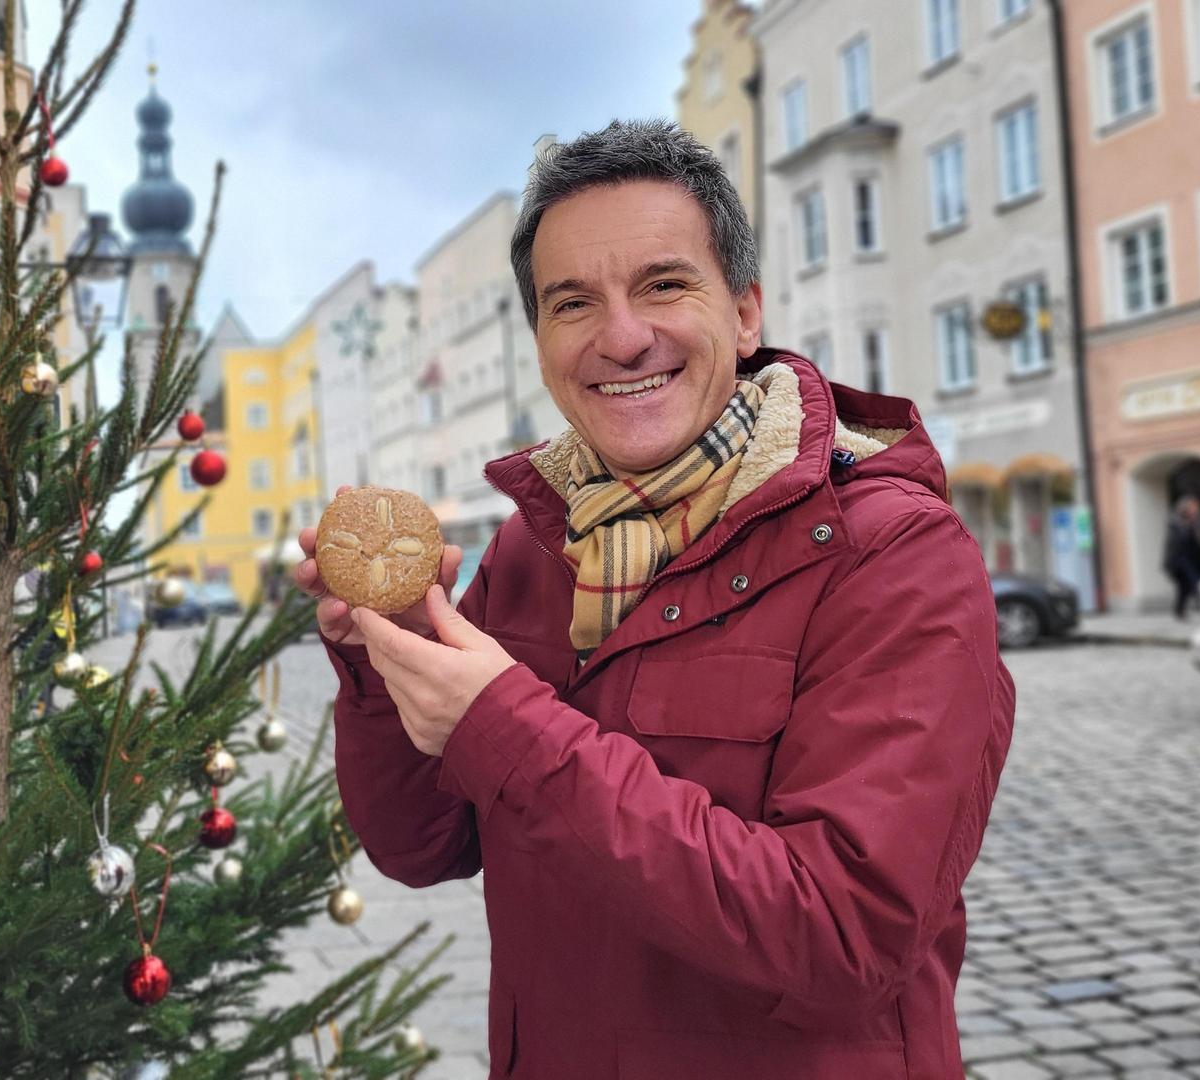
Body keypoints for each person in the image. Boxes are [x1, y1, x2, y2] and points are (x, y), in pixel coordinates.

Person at [294, 121, 1016, 1079]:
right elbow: (422, 844)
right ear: (543, 340)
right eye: (572, 303)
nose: (622, 337)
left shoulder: (890, 552)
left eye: (664, 285)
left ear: (747, 311)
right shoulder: (530, 549)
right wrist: (383, 660)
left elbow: (844, 936)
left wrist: (506, 727)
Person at [1163, 494, 1200, 620]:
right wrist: (1189, 526)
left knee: (1185, 588)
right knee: (1193, 583)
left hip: (1196, 559)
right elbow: (1176, 542)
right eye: (1192, 506)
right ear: (1185, 508)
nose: (1195, 508)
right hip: (1180, 559)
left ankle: (1179, 610)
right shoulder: (1176, 522)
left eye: (1196, 506)